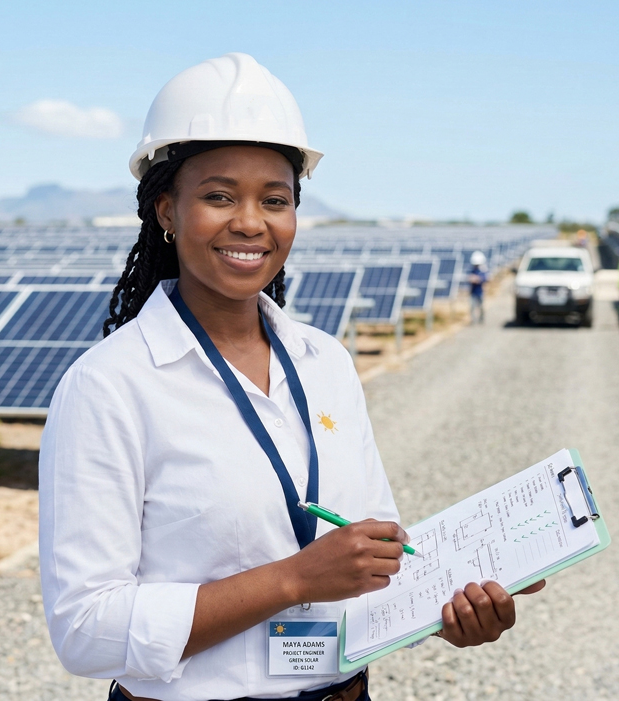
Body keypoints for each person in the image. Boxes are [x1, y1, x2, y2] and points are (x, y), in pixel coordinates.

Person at [39, 53, 543, 701]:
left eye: (274, 200)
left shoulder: (325, 362)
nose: (251, 221)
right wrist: (294, 579)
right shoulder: (110, 386)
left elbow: (371, 560)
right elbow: (84, 629)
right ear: (166, 209)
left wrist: (452, 601)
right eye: (219, 195)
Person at [468, 251, 488, 324]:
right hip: (473, 292)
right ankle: (473, 320)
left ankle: (481, 319)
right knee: (472, 307)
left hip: (480, 292)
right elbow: (469, 278)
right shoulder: (472, 270)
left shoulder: (483, 271)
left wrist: (477, 279)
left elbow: (484, 279)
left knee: (481, 307)